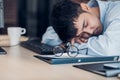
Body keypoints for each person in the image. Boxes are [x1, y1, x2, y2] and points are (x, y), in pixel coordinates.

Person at [42, 0, 120, 56]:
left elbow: (108, 49)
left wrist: (70, 46)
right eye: (81, 35)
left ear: (86, 7)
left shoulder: (117, 11)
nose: (89, 32)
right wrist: (71, 39)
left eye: (85, 24)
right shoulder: (84, 19)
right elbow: (48, 36)